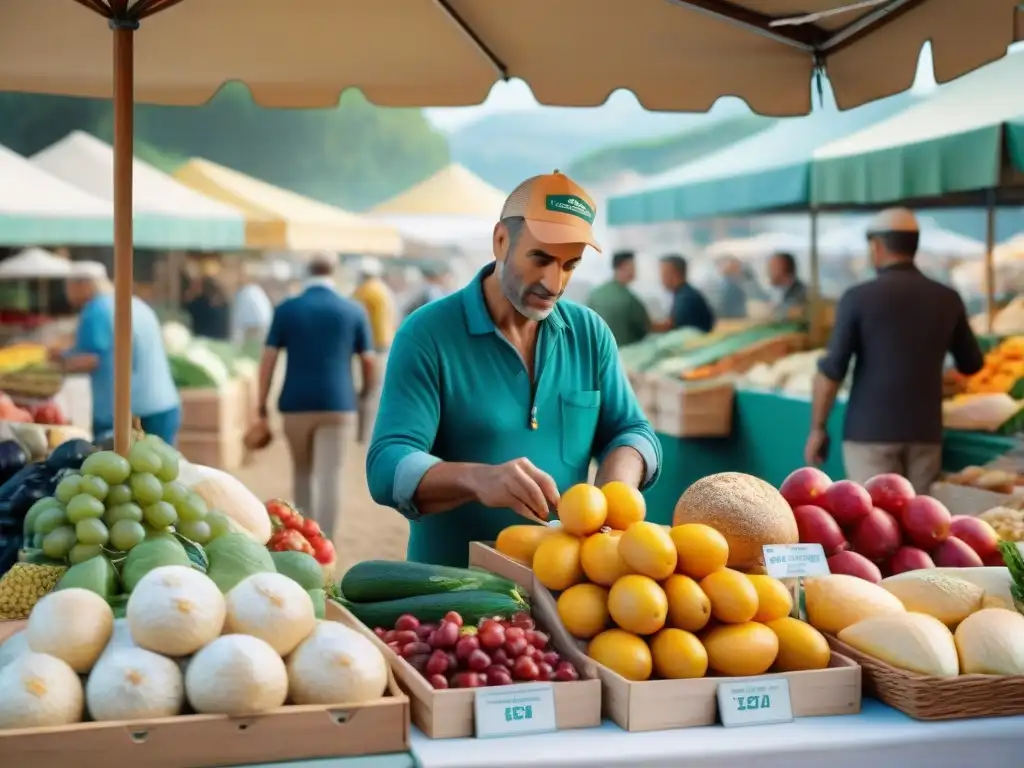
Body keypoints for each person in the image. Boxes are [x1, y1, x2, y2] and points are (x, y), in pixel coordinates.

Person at [366, 171, 662, 567]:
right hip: (454, 590)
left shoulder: (589, 332)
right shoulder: (426, 334)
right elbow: (387, 464)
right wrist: (477, 479)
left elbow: (632, 430)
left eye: (569, 265)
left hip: (566, 588)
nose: (554, 283)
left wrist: (617, 484)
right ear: (501, 241)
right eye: (540, 259)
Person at [804, 209, 984, 492]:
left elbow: (833, 369)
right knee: (921, 522)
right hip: (926, 433)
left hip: (869, 434)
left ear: (877, 246)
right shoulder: (947, 298)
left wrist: (818, 428)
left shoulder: (857, 298)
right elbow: (972, 364)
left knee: (873, 521)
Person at [255, 256, 377, 538]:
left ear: (306, 272)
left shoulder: (287, 309)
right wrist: (364, 394)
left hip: (295, 403)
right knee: (330, 476)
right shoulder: (353, 310)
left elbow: (268, 361)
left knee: (301, 473)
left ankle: (301, 539)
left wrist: (261, 404)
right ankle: (326, 542)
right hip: (339, 402)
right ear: (334, 273)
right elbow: (370, 361)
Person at [55, 262, 181, 445]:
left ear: (83, 285)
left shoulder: (95, 310)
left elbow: (91, 360)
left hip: (126, 415)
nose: (67, 293)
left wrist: (54, 366)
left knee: (115, 469)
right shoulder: (134, 303)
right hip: (164, 405)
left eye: (68, 285)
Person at [586, 250, 650, 346]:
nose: (635, 270)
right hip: (626, 352)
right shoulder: (629, 298)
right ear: (623, 266)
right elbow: (644, 328)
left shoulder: (595, 294)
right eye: (632, 266)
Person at [653, 254, 715, 333]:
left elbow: (673, 327)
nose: (661, 279)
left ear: (675, 274)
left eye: (664, 274)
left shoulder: (687, 299)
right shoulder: (684, 294)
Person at [232, 263, 274, 348]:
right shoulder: (257, 292)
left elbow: (239, 317)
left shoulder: (247, 293)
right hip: (260, 328)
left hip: (251, 328)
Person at [766, 252, 809, 321]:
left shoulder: (802, 292)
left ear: (786, 269)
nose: (769, 272)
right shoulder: (774, 291)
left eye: (773, 268)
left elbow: (790, 313)